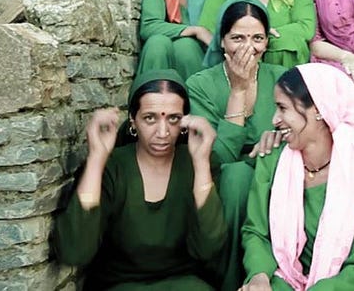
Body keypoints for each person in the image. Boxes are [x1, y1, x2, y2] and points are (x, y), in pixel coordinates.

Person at [53, 69, 225, 290]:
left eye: (173, 119)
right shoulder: (112, 167)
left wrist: (200, 164)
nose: (162, 132)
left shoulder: (199, 163)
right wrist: (96, 159)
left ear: (184, 122)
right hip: (118, 284)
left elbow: (209, 248)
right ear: (133, 121)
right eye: (150, 118)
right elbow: (74, 251)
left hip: (185, 284)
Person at [240, 64, 354, 290]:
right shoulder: (272, 160)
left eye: (283, 108)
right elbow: (255, 232)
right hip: (281, 279)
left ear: (319, 110)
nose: (275, 119)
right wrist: (259, 275)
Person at [186, 0, 287, 291]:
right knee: (238, 176)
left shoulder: (283, 79)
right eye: (238, 38)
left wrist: (279, 139)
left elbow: (303, 132)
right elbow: (219, 156)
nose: (248, 47)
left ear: (267, 42)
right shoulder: (200, 85)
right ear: (221, 41)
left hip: (274, 170)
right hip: (221, 177)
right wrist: (239, 91)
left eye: (257, 38)